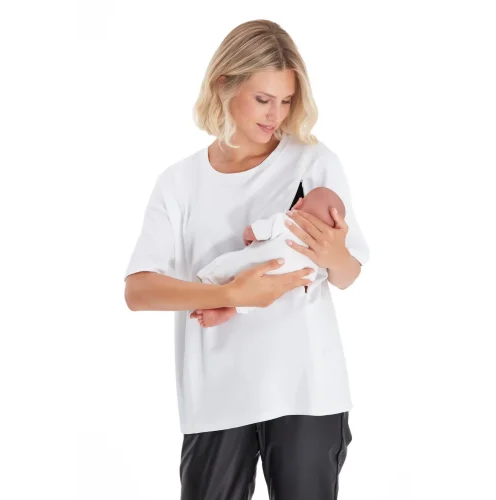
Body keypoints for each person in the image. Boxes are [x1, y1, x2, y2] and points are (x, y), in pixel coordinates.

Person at [123, 19, 370, 500]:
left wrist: (334, 253)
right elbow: (138, 291)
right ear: (224, 84)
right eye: (263, 99)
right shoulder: (179, 183)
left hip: (305, 390)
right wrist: (230, 293)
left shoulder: (313, 162)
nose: (276, 115)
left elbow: (347, 274)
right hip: (216, 396)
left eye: (286, 101)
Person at [192, 186, 347, 327]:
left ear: (299, 204)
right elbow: (306, 281)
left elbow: (254, 231)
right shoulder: (315, 261)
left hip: (248, 265)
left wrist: (248, 235)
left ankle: (205, 286)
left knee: (225, 267)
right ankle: (230, 310)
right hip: (270, 288)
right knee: (252, 300)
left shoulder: (286, 222)